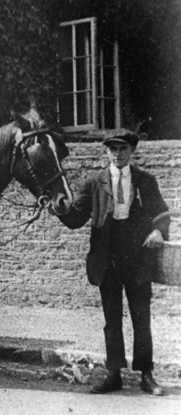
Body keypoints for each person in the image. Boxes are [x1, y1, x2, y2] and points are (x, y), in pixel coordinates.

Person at [57, 128, 170, 395]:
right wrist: (59, 208)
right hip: (107, 258)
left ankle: (146, 375)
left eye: (123, 149)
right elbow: (76, 218)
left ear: (132, 151)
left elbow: (162, 214)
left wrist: (157, 232)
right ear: (106, 152)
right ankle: (113, 373)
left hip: (138, 256)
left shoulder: (145, 180)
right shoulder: (95, 181)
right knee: (112, 318)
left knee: (141, 317)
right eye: (113, 149)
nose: (118, 154)